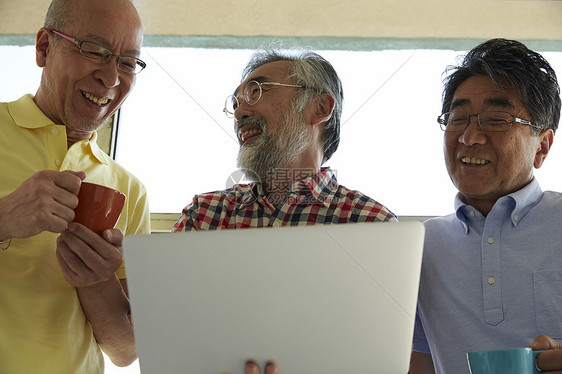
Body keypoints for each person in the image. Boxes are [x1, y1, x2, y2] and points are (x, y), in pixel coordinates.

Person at [173, 48, 396, 373]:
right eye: (235, 102)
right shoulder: (203, 216)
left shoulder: (374, 226)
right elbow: (171, 337)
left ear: (320, 107)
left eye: (256, 91)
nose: (239, 113)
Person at [0, 0, 150, 372]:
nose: (112, 78)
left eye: (128, 62)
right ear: (44, 48)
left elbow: (125, 351)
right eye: (94, 51)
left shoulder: (130, 190)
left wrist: (98, 281)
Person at [410, 38, 562, 373]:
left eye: (496, 119)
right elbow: (419, 365)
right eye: (458, 118)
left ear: (542, 146)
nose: (469, 136)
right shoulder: (420, 245)